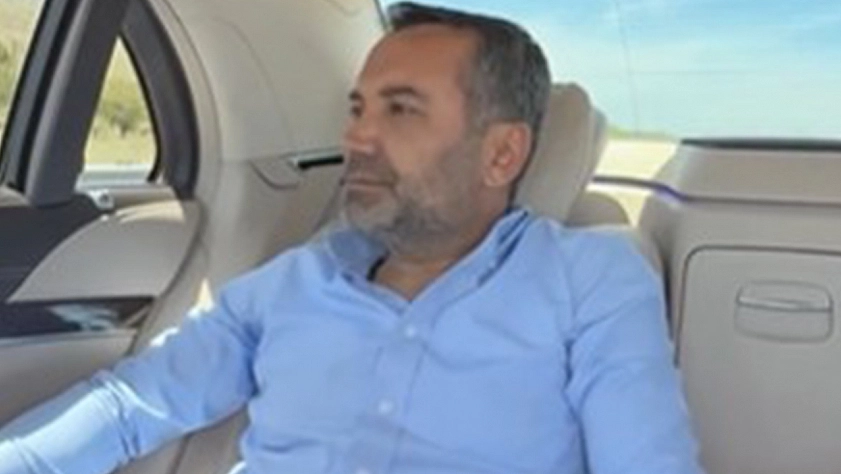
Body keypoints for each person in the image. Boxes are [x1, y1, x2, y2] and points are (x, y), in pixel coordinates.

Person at [0, 2, 704, 473]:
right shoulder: (293, 281)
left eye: (401, 111)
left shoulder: (591, 280)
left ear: (501, 154)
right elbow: (129, 408)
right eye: (358, 109)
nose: (357, 138)